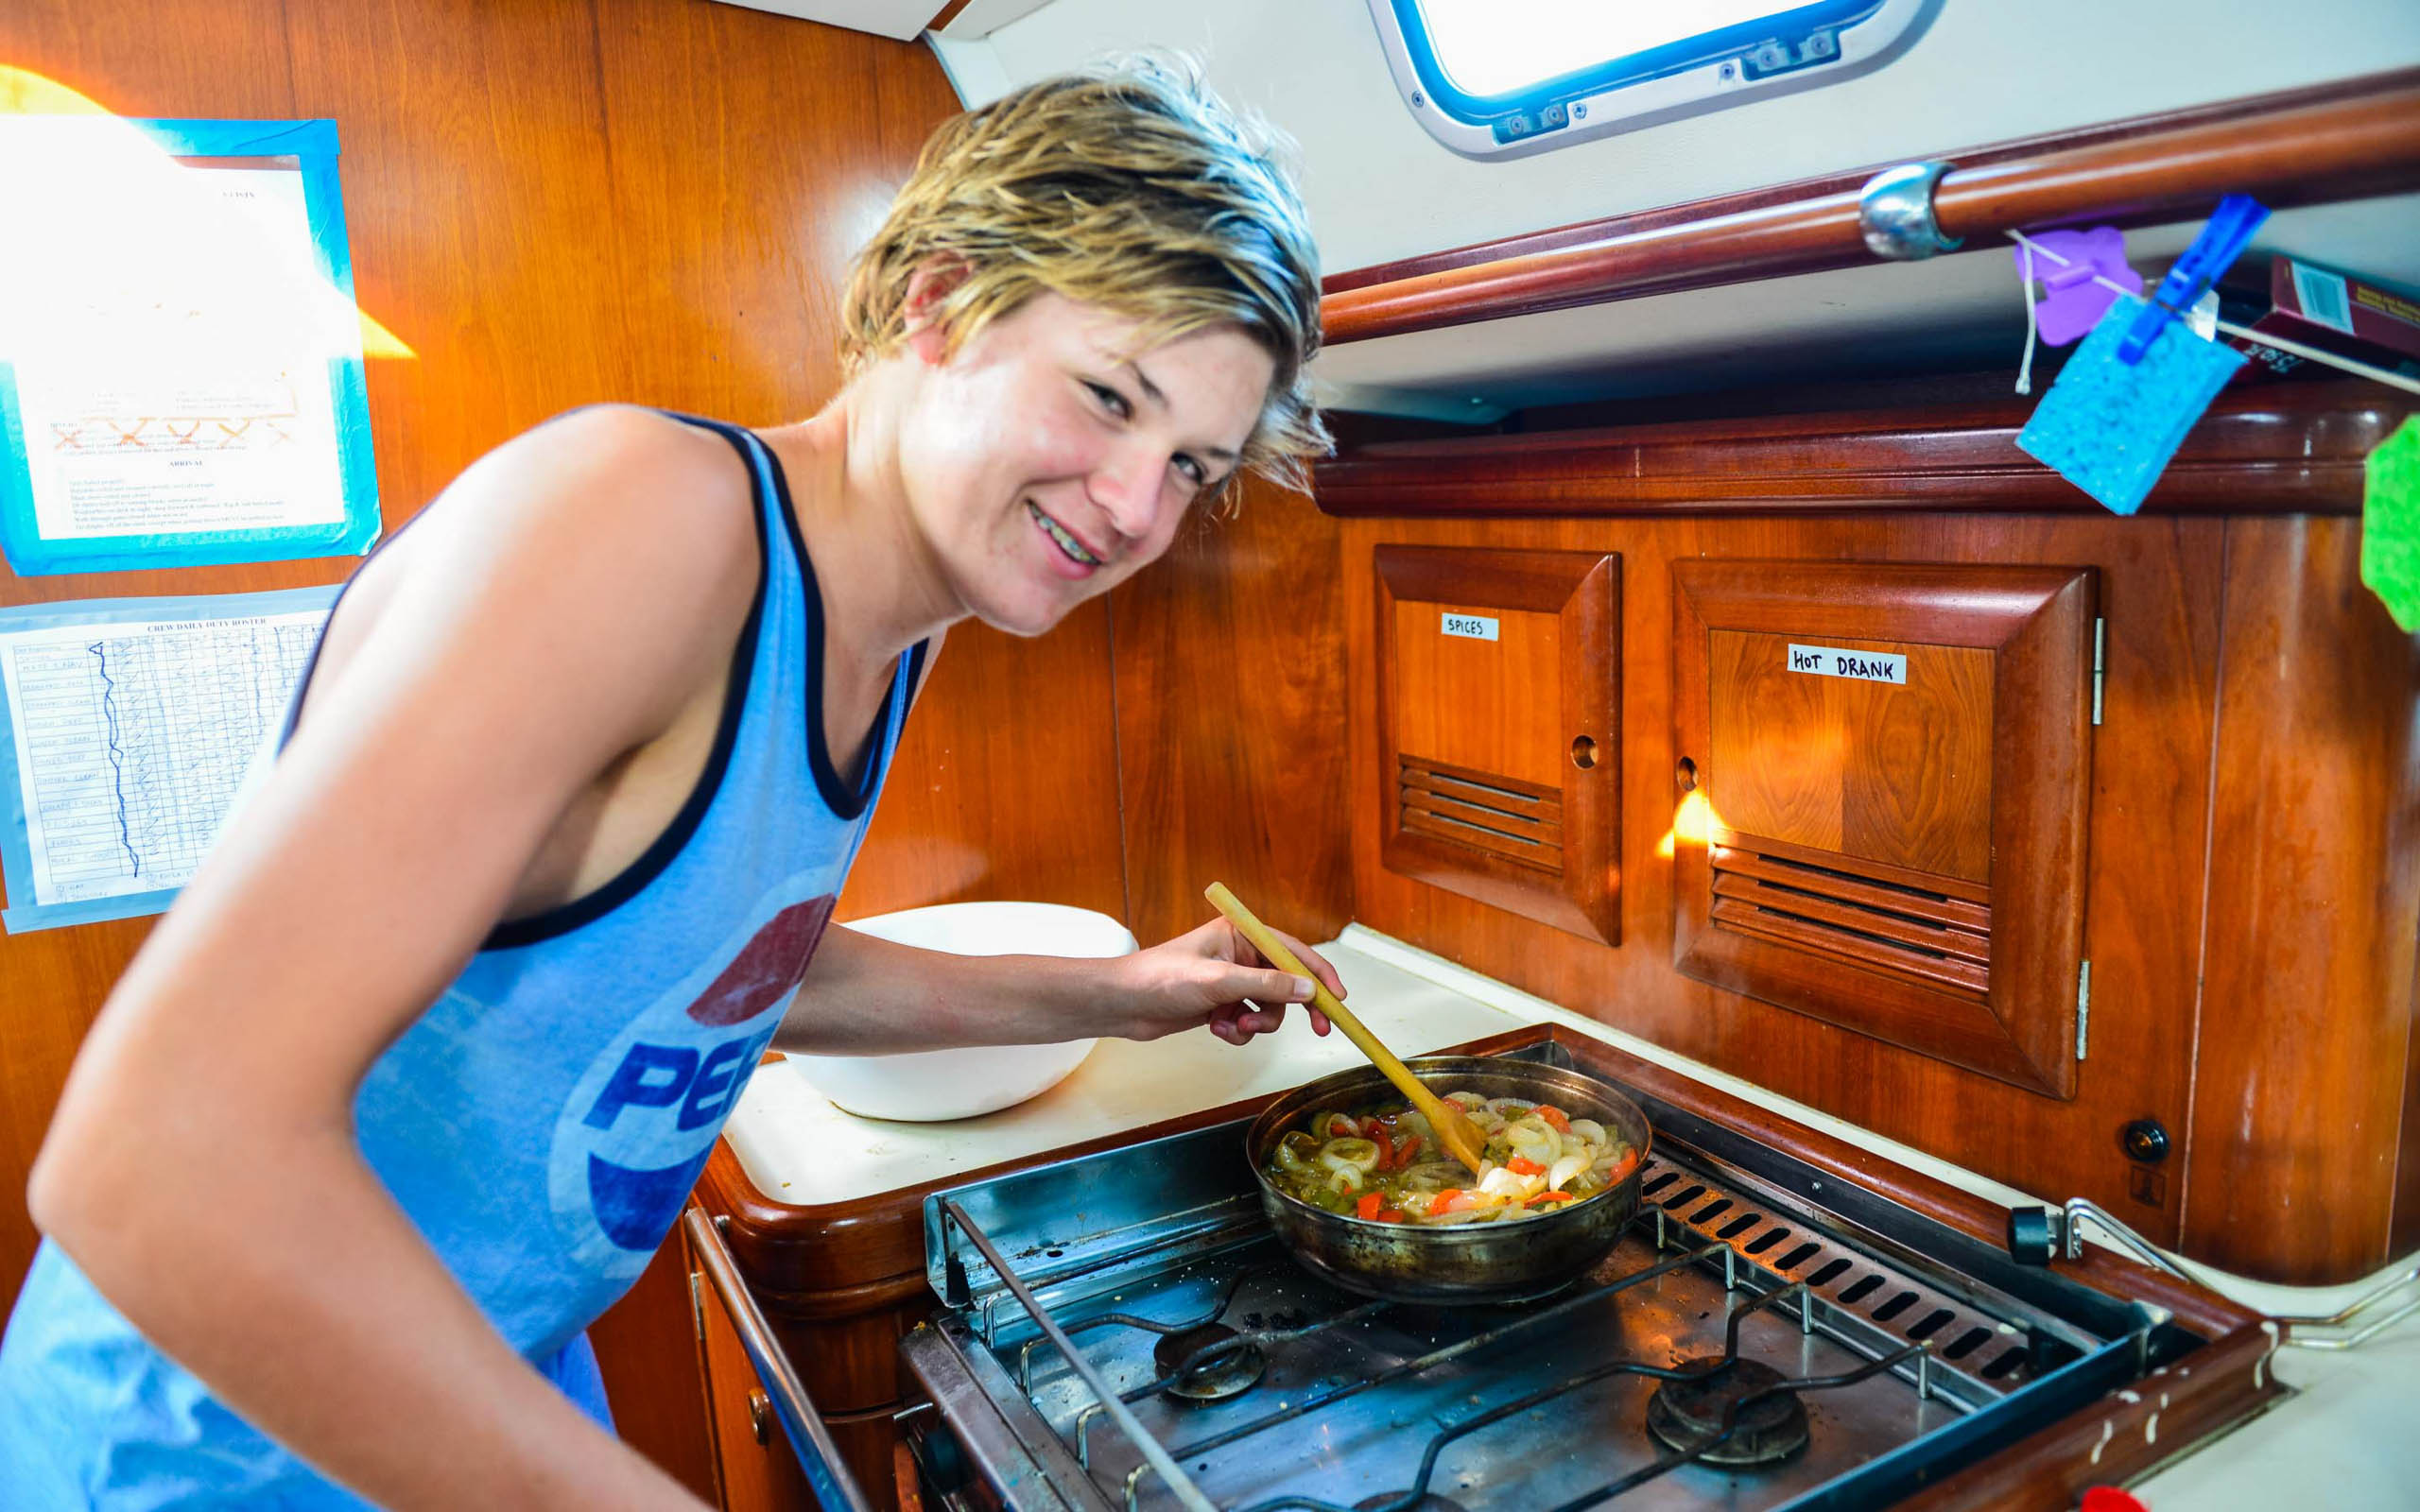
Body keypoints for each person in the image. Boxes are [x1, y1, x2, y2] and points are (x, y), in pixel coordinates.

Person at [0, 55, 1341, 1509]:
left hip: (484, 1370)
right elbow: (150, 1167)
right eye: (1106, 397)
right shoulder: (644, 523)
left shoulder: (889, 625)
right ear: (941, 305)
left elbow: (707, 959)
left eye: (1195, 466)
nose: (1140, 508)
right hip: (210, 1443)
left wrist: (1114, 995)